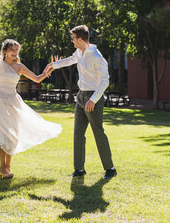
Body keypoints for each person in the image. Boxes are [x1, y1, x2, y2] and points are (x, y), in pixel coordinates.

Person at [0, 39, 62, 179]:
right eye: (12, 50)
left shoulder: (19, 66)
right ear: (5, 51)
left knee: (13, 135)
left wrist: (50, 68)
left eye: (17, 50)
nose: (15, 53)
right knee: (3, 134)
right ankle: (2, 168)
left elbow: (37, 78)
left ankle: (7, 167)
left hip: (13, 102)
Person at [44, 25, 117, 179]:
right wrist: (53, 66)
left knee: (98, 132)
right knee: (78, 133)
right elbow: (70, 60)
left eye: (73, 39)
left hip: (93, 98)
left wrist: (93, 100)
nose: (72, 42)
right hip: (81, 96)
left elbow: (105, 81)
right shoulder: (79, 52)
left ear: (80, 39)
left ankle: (110, 168)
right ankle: (79, 169)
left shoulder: (96, 56)